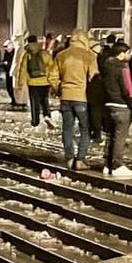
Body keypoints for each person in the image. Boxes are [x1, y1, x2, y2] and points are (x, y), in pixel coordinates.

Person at [55, 31, 98, 171]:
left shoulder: (61, 55)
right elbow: (93, 77)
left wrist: (59, 90)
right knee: (85, 129)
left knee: (67, 128)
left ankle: (69, 158)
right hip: (82, 97)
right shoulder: (89, 56)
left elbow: (52, 76)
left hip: (66, 97)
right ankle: (80, 159)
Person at [97, 39, 132, 178]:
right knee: (120, 137)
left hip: (109, 104)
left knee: (111, 136)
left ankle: (107, 164)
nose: (129, 56)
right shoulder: (123, 68)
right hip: (121, 105)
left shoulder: (106, 66)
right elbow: (128, 88)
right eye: (127, 53)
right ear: (121, 54)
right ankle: (117, 165)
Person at [22, 35, 54, 128]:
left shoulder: (27, 54)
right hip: (45, 82)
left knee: (34, 101)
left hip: (32, 82)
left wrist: (21, 82)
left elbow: (23, 69)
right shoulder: (45, 53)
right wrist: (50, 79)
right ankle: (47, 116)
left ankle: (35, 121)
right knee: (44, 99)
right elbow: (51, 67)